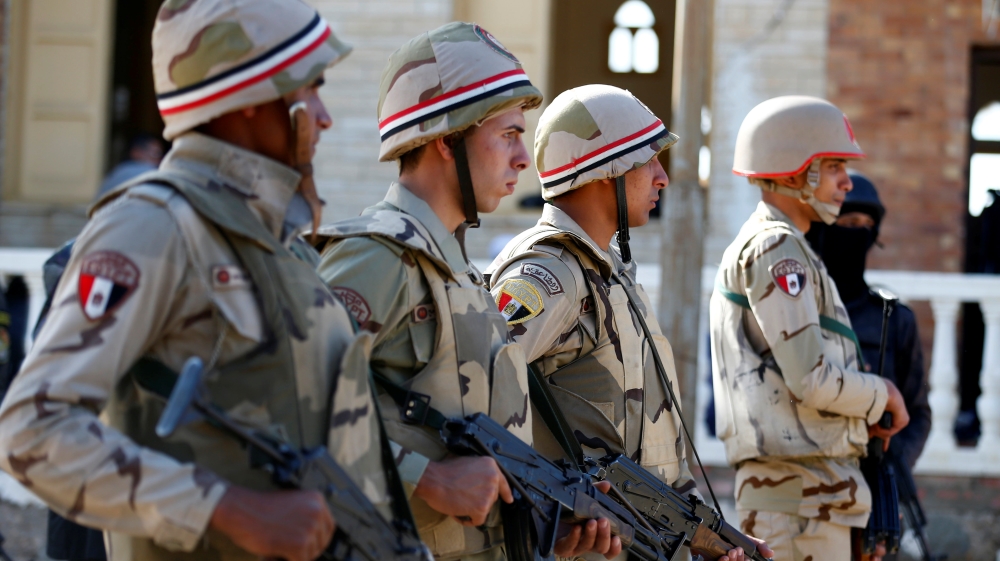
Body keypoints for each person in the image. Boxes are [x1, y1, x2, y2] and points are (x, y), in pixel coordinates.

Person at [0, 2, 398, 560]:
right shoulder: (156, 224)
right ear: (250, 102)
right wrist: (226, 508)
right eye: (310, 90)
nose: (324, 116)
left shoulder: (282, 247)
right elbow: (31, 431)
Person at [314, 23, 620, 561]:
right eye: (508, 135)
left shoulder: (460, 273)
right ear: (444, 138)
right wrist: (425, 478)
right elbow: (290, 410)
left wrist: (549, 523)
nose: (524, 159)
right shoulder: (377, 258)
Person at [484, 84, 771, 561]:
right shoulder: (550, 273)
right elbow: (474, 393)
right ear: (605, 171)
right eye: (648, 161)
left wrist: (706, 538)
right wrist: (542, 517)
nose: (662, 177)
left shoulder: (609, 273)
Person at [709, 96, 910, 561]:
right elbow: (812, 380)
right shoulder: (776, 247)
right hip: (798, 503)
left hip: (814, 498)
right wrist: (883, 394)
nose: (846, 181)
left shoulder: (791, 246)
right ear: (792, 170)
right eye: (834, 165)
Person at [804, 171, 931, 472]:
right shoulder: (798, 310)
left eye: (866, 227)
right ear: (824, 231)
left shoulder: (894, 318)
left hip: (876, 476)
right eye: (848, 225)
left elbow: (918, 412)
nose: (857, 234)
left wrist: (895, 465)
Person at [98, 133, 166, 198]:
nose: (160, 159)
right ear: (136, 152)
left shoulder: (119, 170)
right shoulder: (144, 171)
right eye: (155, 154)